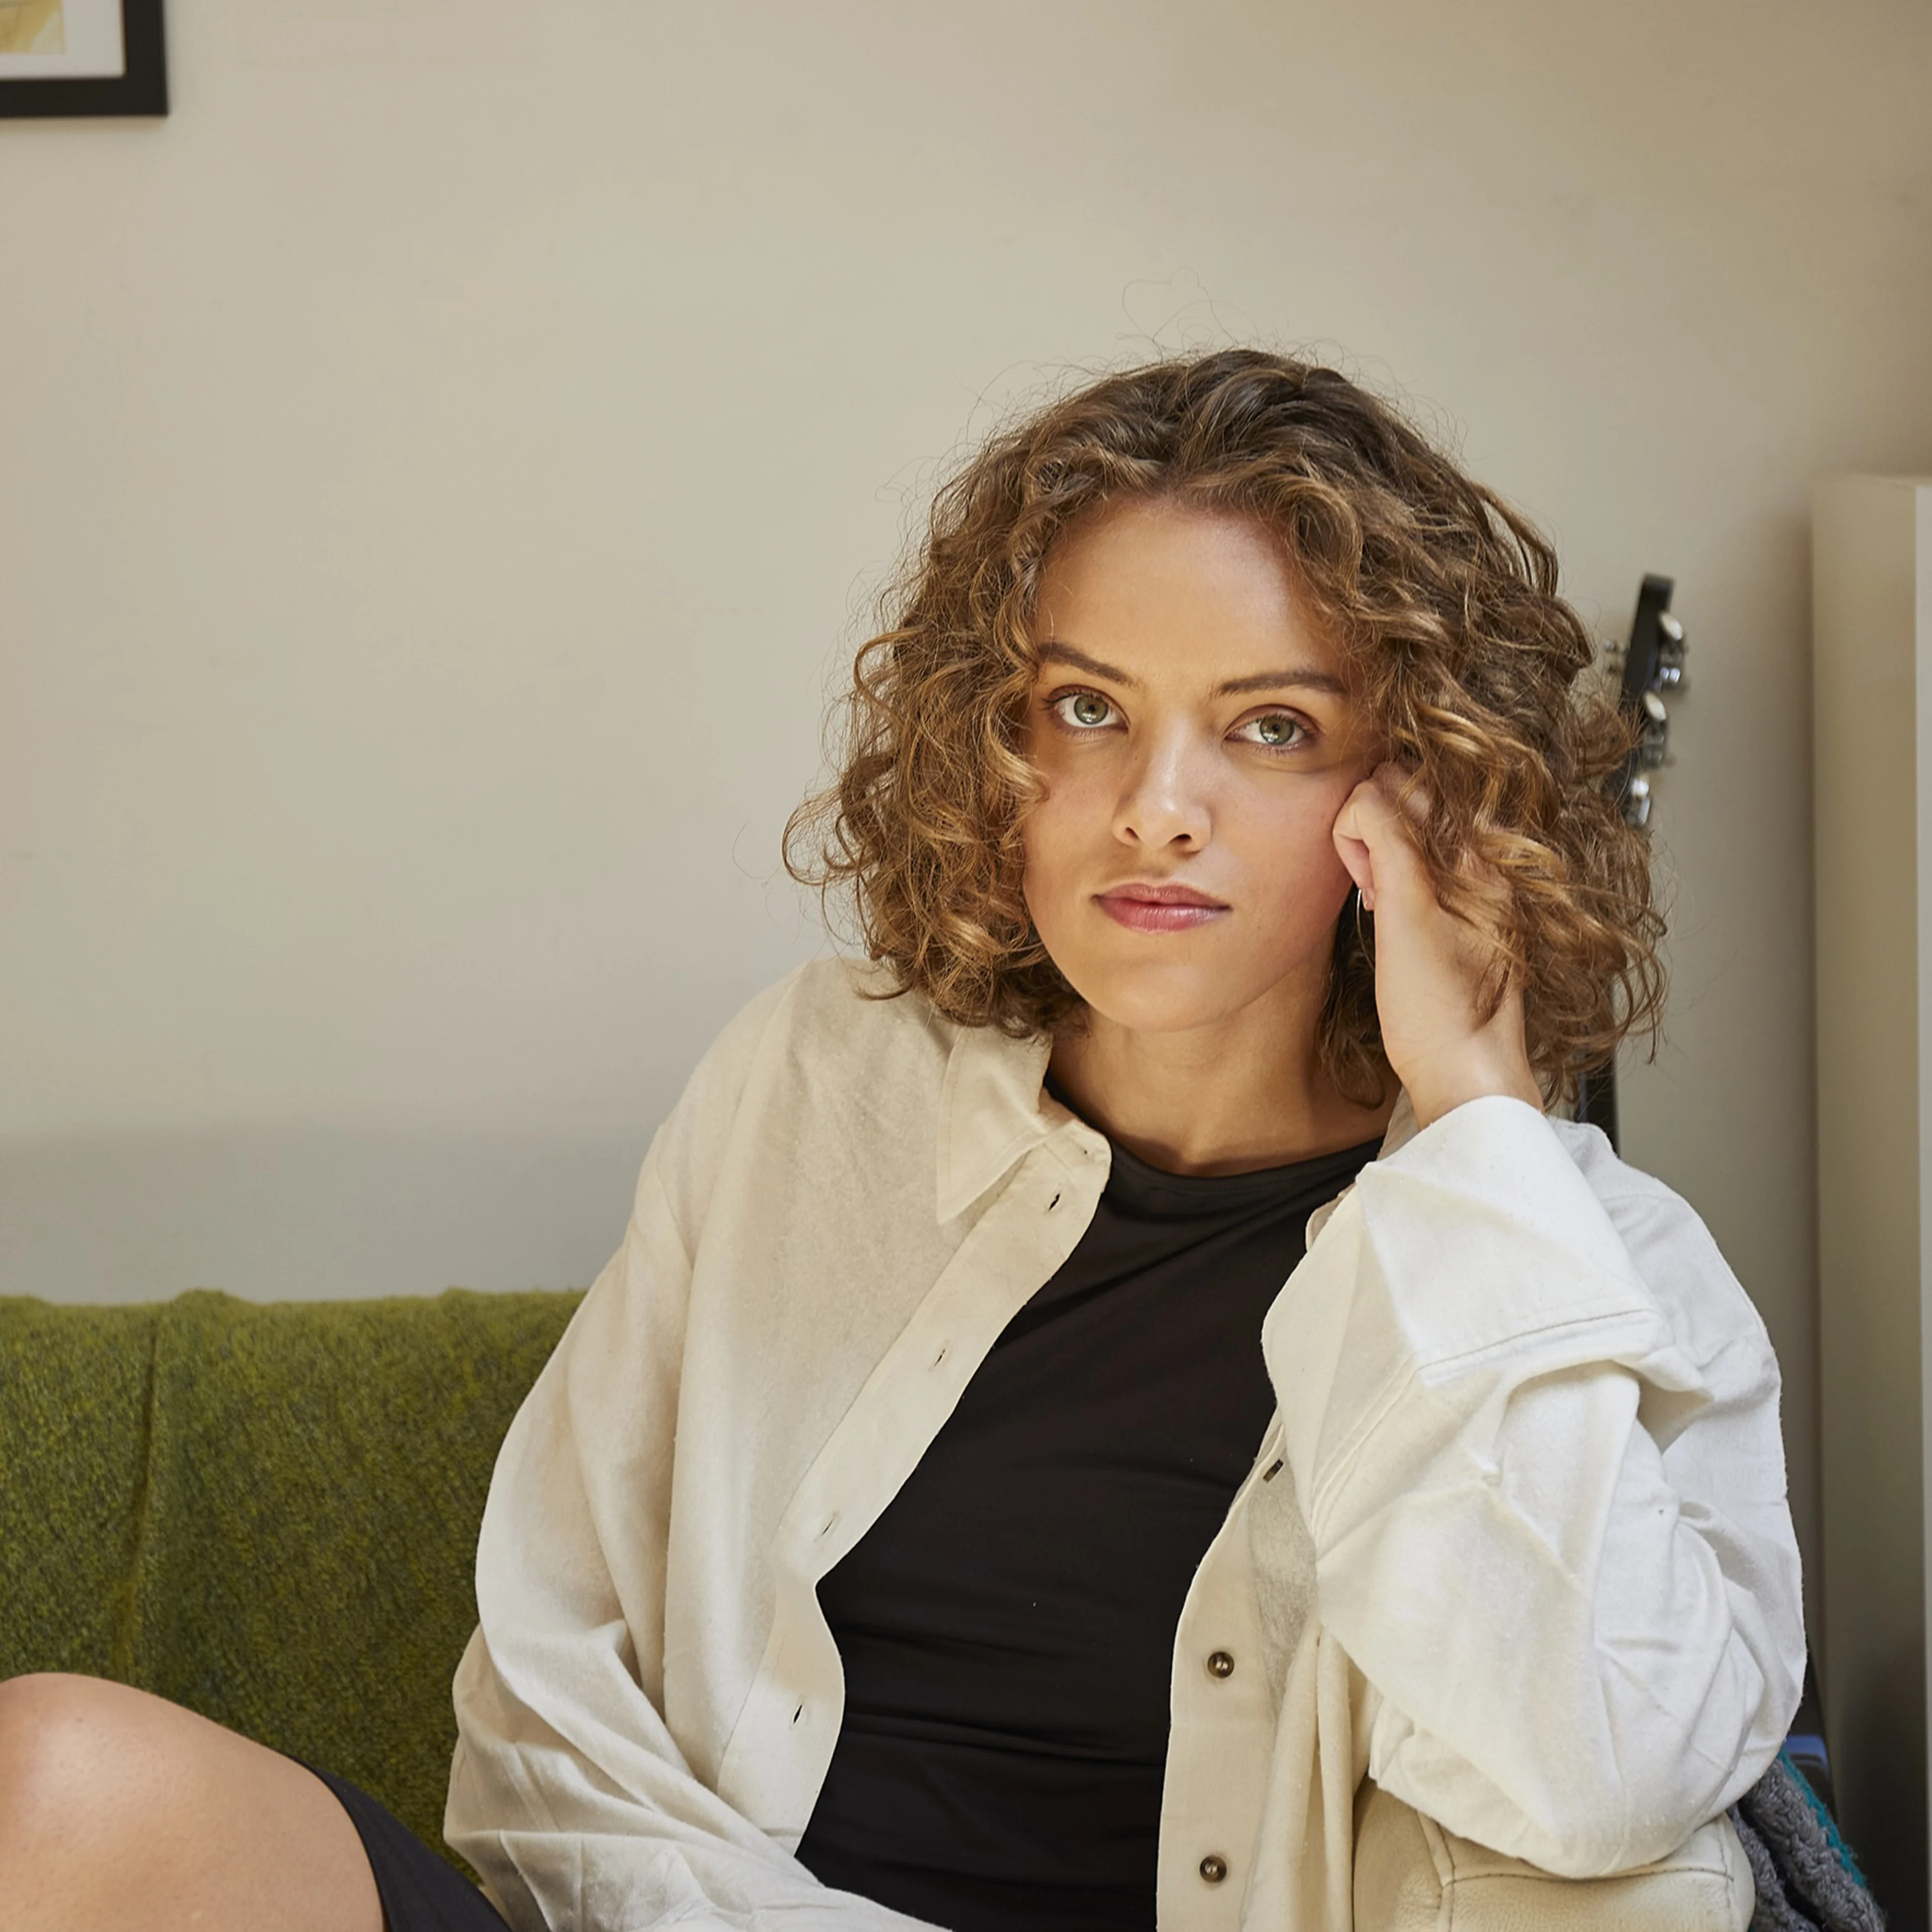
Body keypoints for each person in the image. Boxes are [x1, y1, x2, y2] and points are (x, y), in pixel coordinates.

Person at [0, 349, 1805, 1932]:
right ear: (992, 743)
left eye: (1270, 728)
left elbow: (1607, 1786)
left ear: (1419, 792)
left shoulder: (1598, 1272)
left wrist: (1478, 1138)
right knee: (54, 1778)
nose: (1154, 811)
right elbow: (549, 1707)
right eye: (1085, 710)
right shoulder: (814, 1082)